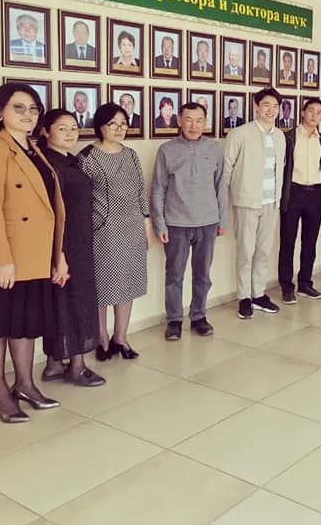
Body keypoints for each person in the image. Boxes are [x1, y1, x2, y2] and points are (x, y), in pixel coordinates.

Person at [0, 84, 67, 423]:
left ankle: (25, 385)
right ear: (0, 111)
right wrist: (2, 260)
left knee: (26, 325)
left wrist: (58, 256)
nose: (28, 114)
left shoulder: (34, 149)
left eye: (34, 109)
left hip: (35, 254)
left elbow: (50, 208)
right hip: (5, 256)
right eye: (19, 107)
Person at [79, 104, 151, 361]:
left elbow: (140, 191)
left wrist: (146, 225)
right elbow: (81, 199)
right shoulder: (87, 157)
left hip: (132, 228)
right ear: (100, 126)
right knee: (102, 286)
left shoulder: (131, 154)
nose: (120, 129)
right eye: (113, 124)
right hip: (103, 231)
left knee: (128, 284)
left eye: (123, 124)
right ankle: (101, 337)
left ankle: (120, 337)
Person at [37, 110, 104, 387]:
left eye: (74, 128)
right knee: (73, 301)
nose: (69, 133)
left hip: (79, 242)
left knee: (65, 301)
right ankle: (77, 367)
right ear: (46, 131)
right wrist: (59, 255)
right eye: (62, 128)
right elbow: (51, 213)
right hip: (65, 245)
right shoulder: (48, 165)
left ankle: (54, 365)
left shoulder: (70, 160)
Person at [151, 102, 228, 341]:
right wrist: (159, 224)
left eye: (199, 120)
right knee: (174, 274)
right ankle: (174, 320)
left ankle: (199, 316)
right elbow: (158, 188)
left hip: (207, 222)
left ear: (205, 122)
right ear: (179, 121)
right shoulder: (167, 150)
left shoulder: (214, 149)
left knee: (202, 273)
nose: (194, 125)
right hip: (176, 223)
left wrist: (222, 219)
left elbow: (221, 186)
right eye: (189, 119)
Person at [223, 87, 287, 316]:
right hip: (246, 202)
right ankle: (244, 297)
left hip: (271, 202)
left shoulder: (280, 136)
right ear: (256, 106)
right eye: (266, 105)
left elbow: (280, 169)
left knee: (263, 251)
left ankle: (259, 294)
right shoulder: (239, 134)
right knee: (245, 252)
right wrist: (223, 204)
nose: (271, 110)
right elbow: (227, 170)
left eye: (275, 106)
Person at [278, 98, 321, 303]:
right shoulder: (289, 137)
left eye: (319, 112)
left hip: (315, 193)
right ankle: (286, 286)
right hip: (294, 192)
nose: (314, 115)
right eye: (311, 111)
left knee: (310, 241)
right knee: (288, 241)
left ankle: (305, 283)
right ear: (302, 113)